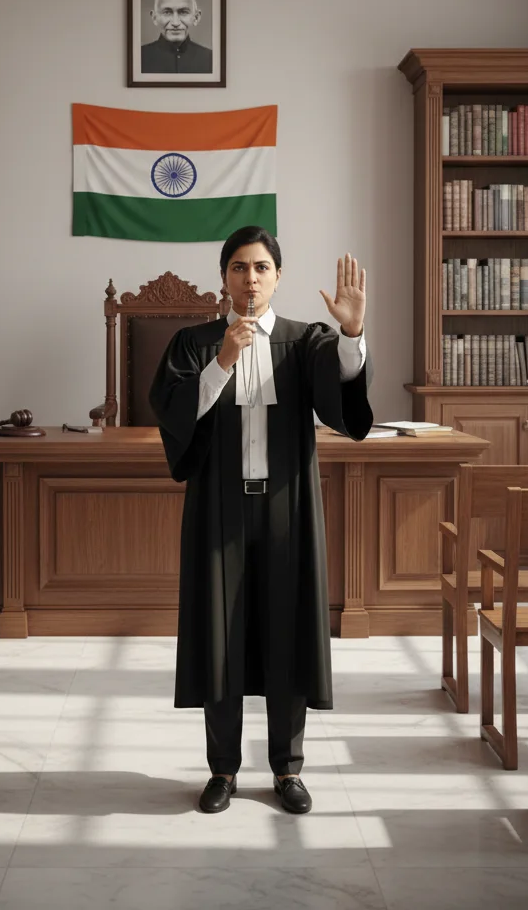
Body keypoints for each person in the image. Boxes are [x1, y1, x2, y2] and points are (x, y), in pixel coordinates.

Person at [148, 226, 372, 815]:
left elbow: (340, 400)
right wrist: (223, 359)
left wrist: (352, 333)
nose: (251, 278)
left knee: (288, 632)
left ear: (278, 276)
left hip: (287, 508)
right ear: (223, 276)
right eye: (240, 267)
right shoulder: (194, 342)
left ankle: (287, 769)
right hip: (217, 506)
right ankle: (222, 769)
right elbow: (171, 412)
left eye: (263, 267)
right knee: (221, 637)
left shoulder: (306, 341)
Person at [140, 0, 213, 74]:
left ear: (196, 17)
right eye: (167, 12)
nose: (175, 23)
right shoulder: (139, 57)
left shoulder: (211, 59)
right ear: (154, 18)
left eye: (183, 12)